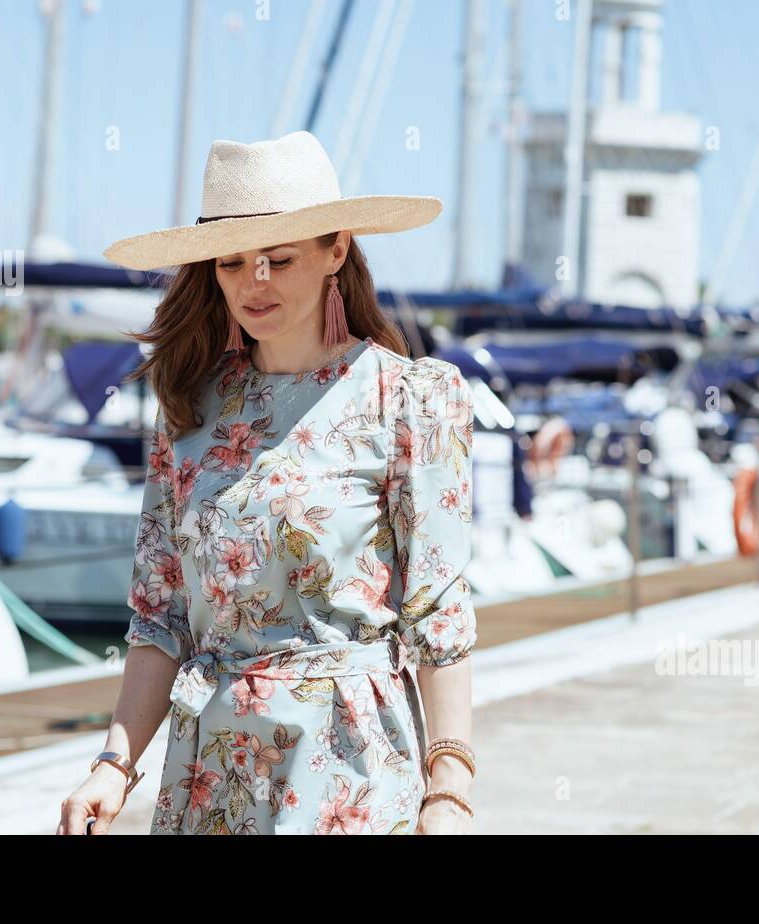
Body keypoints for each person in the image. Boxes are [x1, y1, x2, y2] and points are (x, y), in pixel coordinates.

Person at [56, 131, 478, 835]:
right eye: (232, 263)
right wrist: (112, 766)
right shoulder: (189, 408)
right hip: (210, 776)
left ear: (335, 250)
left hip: (349, 773)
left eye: (279, 260)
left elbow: (439, 615)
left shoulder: (409, 398)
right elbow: (160, 617)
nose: (255, 283)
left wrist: (450, 790)